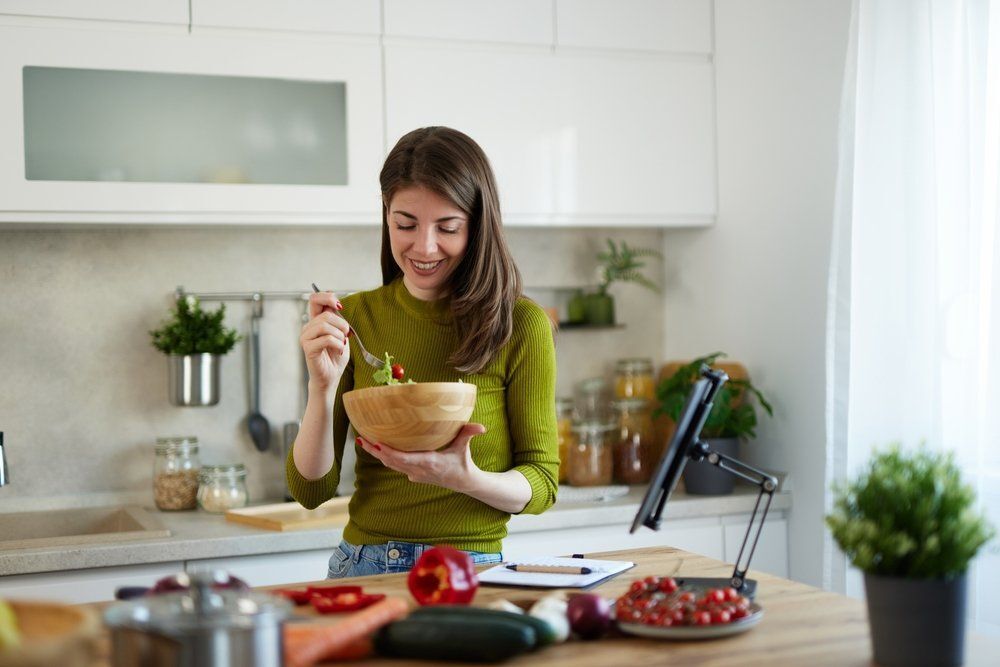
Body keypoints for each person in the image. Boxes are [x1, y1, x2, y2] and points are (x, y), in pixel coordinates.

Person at [287, 126, 559, 578]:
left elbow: (542, 485)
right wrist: (322, 386)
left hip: (472, 569)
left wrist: (461, 477)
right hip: (366, 564)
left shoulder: (520, 325)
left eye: (447, 227)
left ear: (477, 224)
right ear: (386, 217)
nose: (424, 247)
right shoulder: (355, 319)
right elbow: (310, 491)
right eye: (405, 225)